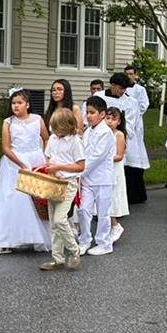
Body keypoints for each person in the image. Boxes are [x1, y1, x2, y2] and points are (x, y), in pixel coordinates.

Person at [0, 89, 50, 254]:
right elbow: (6, 147)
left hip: (35, 159)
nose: (16, 106)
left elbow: (46, 137)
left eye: (19, 103)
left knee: (37, 200)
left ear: (27, 104)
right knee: (12, 199)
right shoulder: (8, 122)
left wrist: (46, 156)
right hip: (15, 162)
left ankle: (39, 237)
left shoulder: (37, 119)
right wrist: (20, 163)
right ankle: (4, 239)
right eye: (13, 103)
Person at [38, 109, 85, 272]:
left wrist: (59, 167)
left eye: (57, 127)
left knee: (60, 219)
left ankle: (74, 250)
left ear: (67, 126)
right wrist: (51, 168)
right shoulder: (52, 138)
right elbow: (49, 157)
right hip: (55, 181)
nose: (54, 130)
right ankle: (57, 258)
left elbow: (80, 165)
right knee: (53, 222)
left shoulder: (75, 141)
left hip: (69, 183)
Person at [75, 96, 117, 255]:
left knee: (103, 212)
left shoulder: (106, 133)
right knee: (83, 210)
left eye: (92, 112)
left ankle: (104, 243)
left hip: (102, 180)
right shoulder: (88, 131)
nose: (88, 116)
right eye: (87, 112)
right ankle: (84, 240)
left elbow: (95, 158)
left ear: (102, 114)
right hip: (87, 179)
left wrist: (77, 171)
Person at [103, 73, 148, 206]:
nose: (123, 91)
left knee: (125, 167)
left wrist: (120, 135)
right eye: (120, 88)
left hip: (122, 137)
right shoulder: (99, 97)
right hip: (103, 138)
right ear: (113, 85)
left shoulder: (130, 102)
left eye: (125, 89)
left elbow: (130, 122)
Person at [105, 107, 130, 242]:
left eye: (113, 119)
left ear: (119, 121)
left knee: (112, 196)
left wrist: (104, 158)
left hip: (114, 169)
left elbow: (119, 155)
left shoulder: (119, 135)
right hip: (104, 169)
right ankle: (108, 226)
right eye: (107, 118)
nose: (110, 122)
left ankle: (115, 225)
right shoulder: (103, 133)